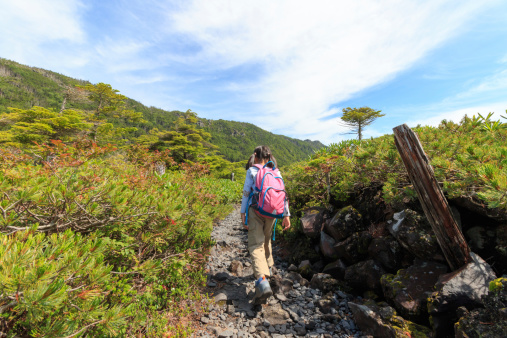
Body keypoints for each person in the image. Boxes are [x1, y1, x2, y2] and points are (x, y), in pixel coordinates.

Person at [240, 145, 291, 304]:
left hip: (256, 210)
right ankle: (269, 269)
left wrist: (243, 212)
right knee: (267, 239)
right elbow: (283, 194)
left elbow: (246, 193)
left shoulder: (252, 171)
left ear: (255, 156)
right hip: (274, 212)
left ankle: (262, 282)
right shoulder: (276, 172)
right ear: (269, 158)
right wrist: (286, 214)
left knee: (256, 244)